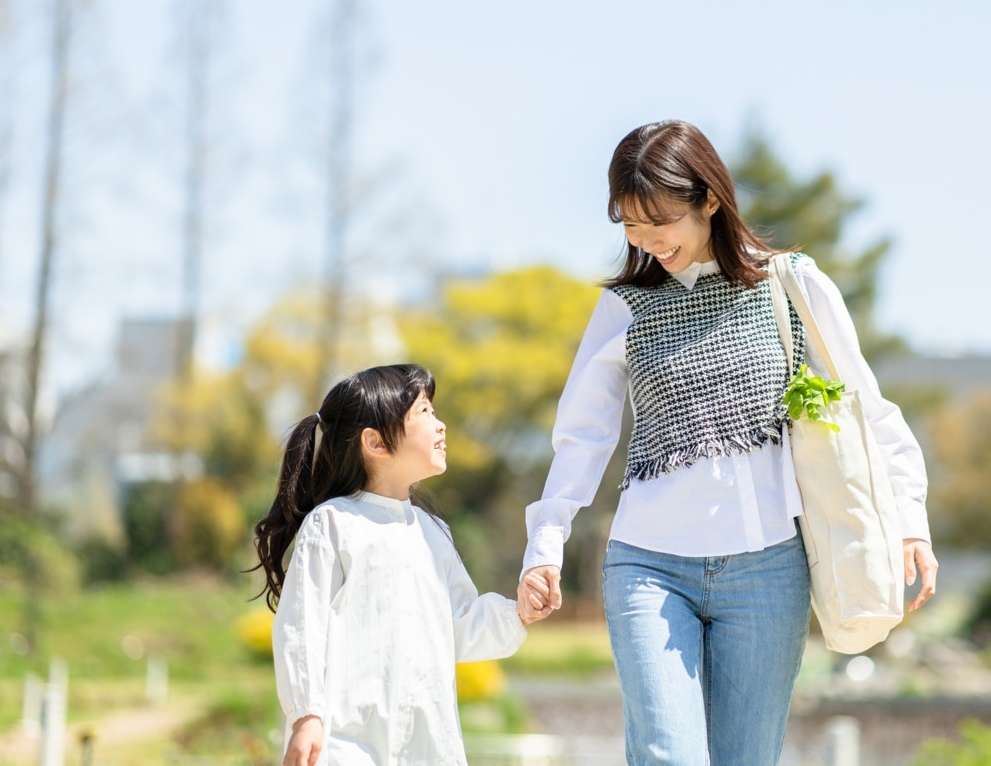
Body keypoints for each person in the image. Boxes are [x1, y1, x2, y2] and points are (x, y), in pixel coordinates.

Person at [516, 120, 938, 765]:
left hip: (768, 570)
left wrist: (910, 520)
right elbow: (583, 435)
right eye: (630, 225)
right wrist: (546, 545)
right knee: (668, 756)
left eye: (662, 221)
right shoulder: (626, 307)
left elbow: (870, 410)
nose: (649, 241)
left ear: (710, 199)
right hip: (649, 566)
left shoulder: (790, 286)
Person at [251, 364, 548, 766]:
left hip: (428, 746)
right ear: (374, 442)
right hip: (346, 744)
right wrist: (306, 715)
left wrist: (518, 612)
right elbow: (302, 626)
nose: (441, 425)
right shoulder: (334, 523)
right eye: (425, 413)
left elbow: (459, 624)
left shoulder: (433, 531)